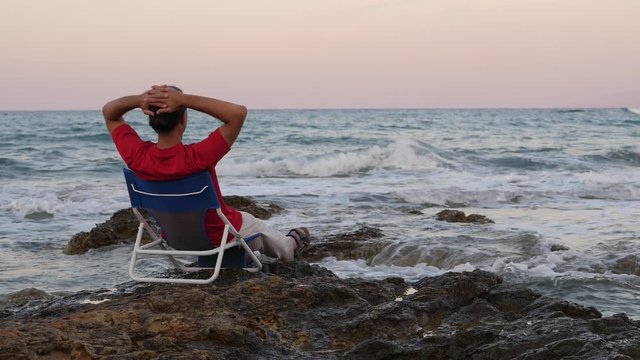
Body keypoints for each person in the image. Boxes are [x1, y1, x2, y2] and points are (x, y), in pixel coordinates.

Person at [103, 85, 310, 261]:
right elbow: (237, 113)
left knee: (239, 222)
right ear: (183, 119)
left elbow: (109, 112)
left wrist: (140, 99)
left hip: (174, 239)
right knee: (252, 223)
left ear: (151, 119)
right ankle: (290, 246)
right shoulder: (196, 157)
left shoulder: (137, 156)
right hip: (218, 237)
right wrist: (183, 99)